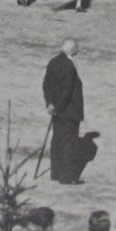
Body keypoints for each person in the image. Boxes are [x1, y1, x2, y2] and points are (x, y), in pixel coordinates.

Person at [42, 39, 86, 184]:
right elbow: (67, 91)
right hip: (69, 112)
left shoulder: (53, 62)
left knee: (57, 141)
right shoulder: (69, 66)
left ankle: (55, 173)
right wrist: (58, 107)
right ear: (73, 50)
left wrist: (50, 104)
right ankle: (66, 177)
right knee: (68, 144)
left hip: (57, 111)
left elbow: (46, 84)